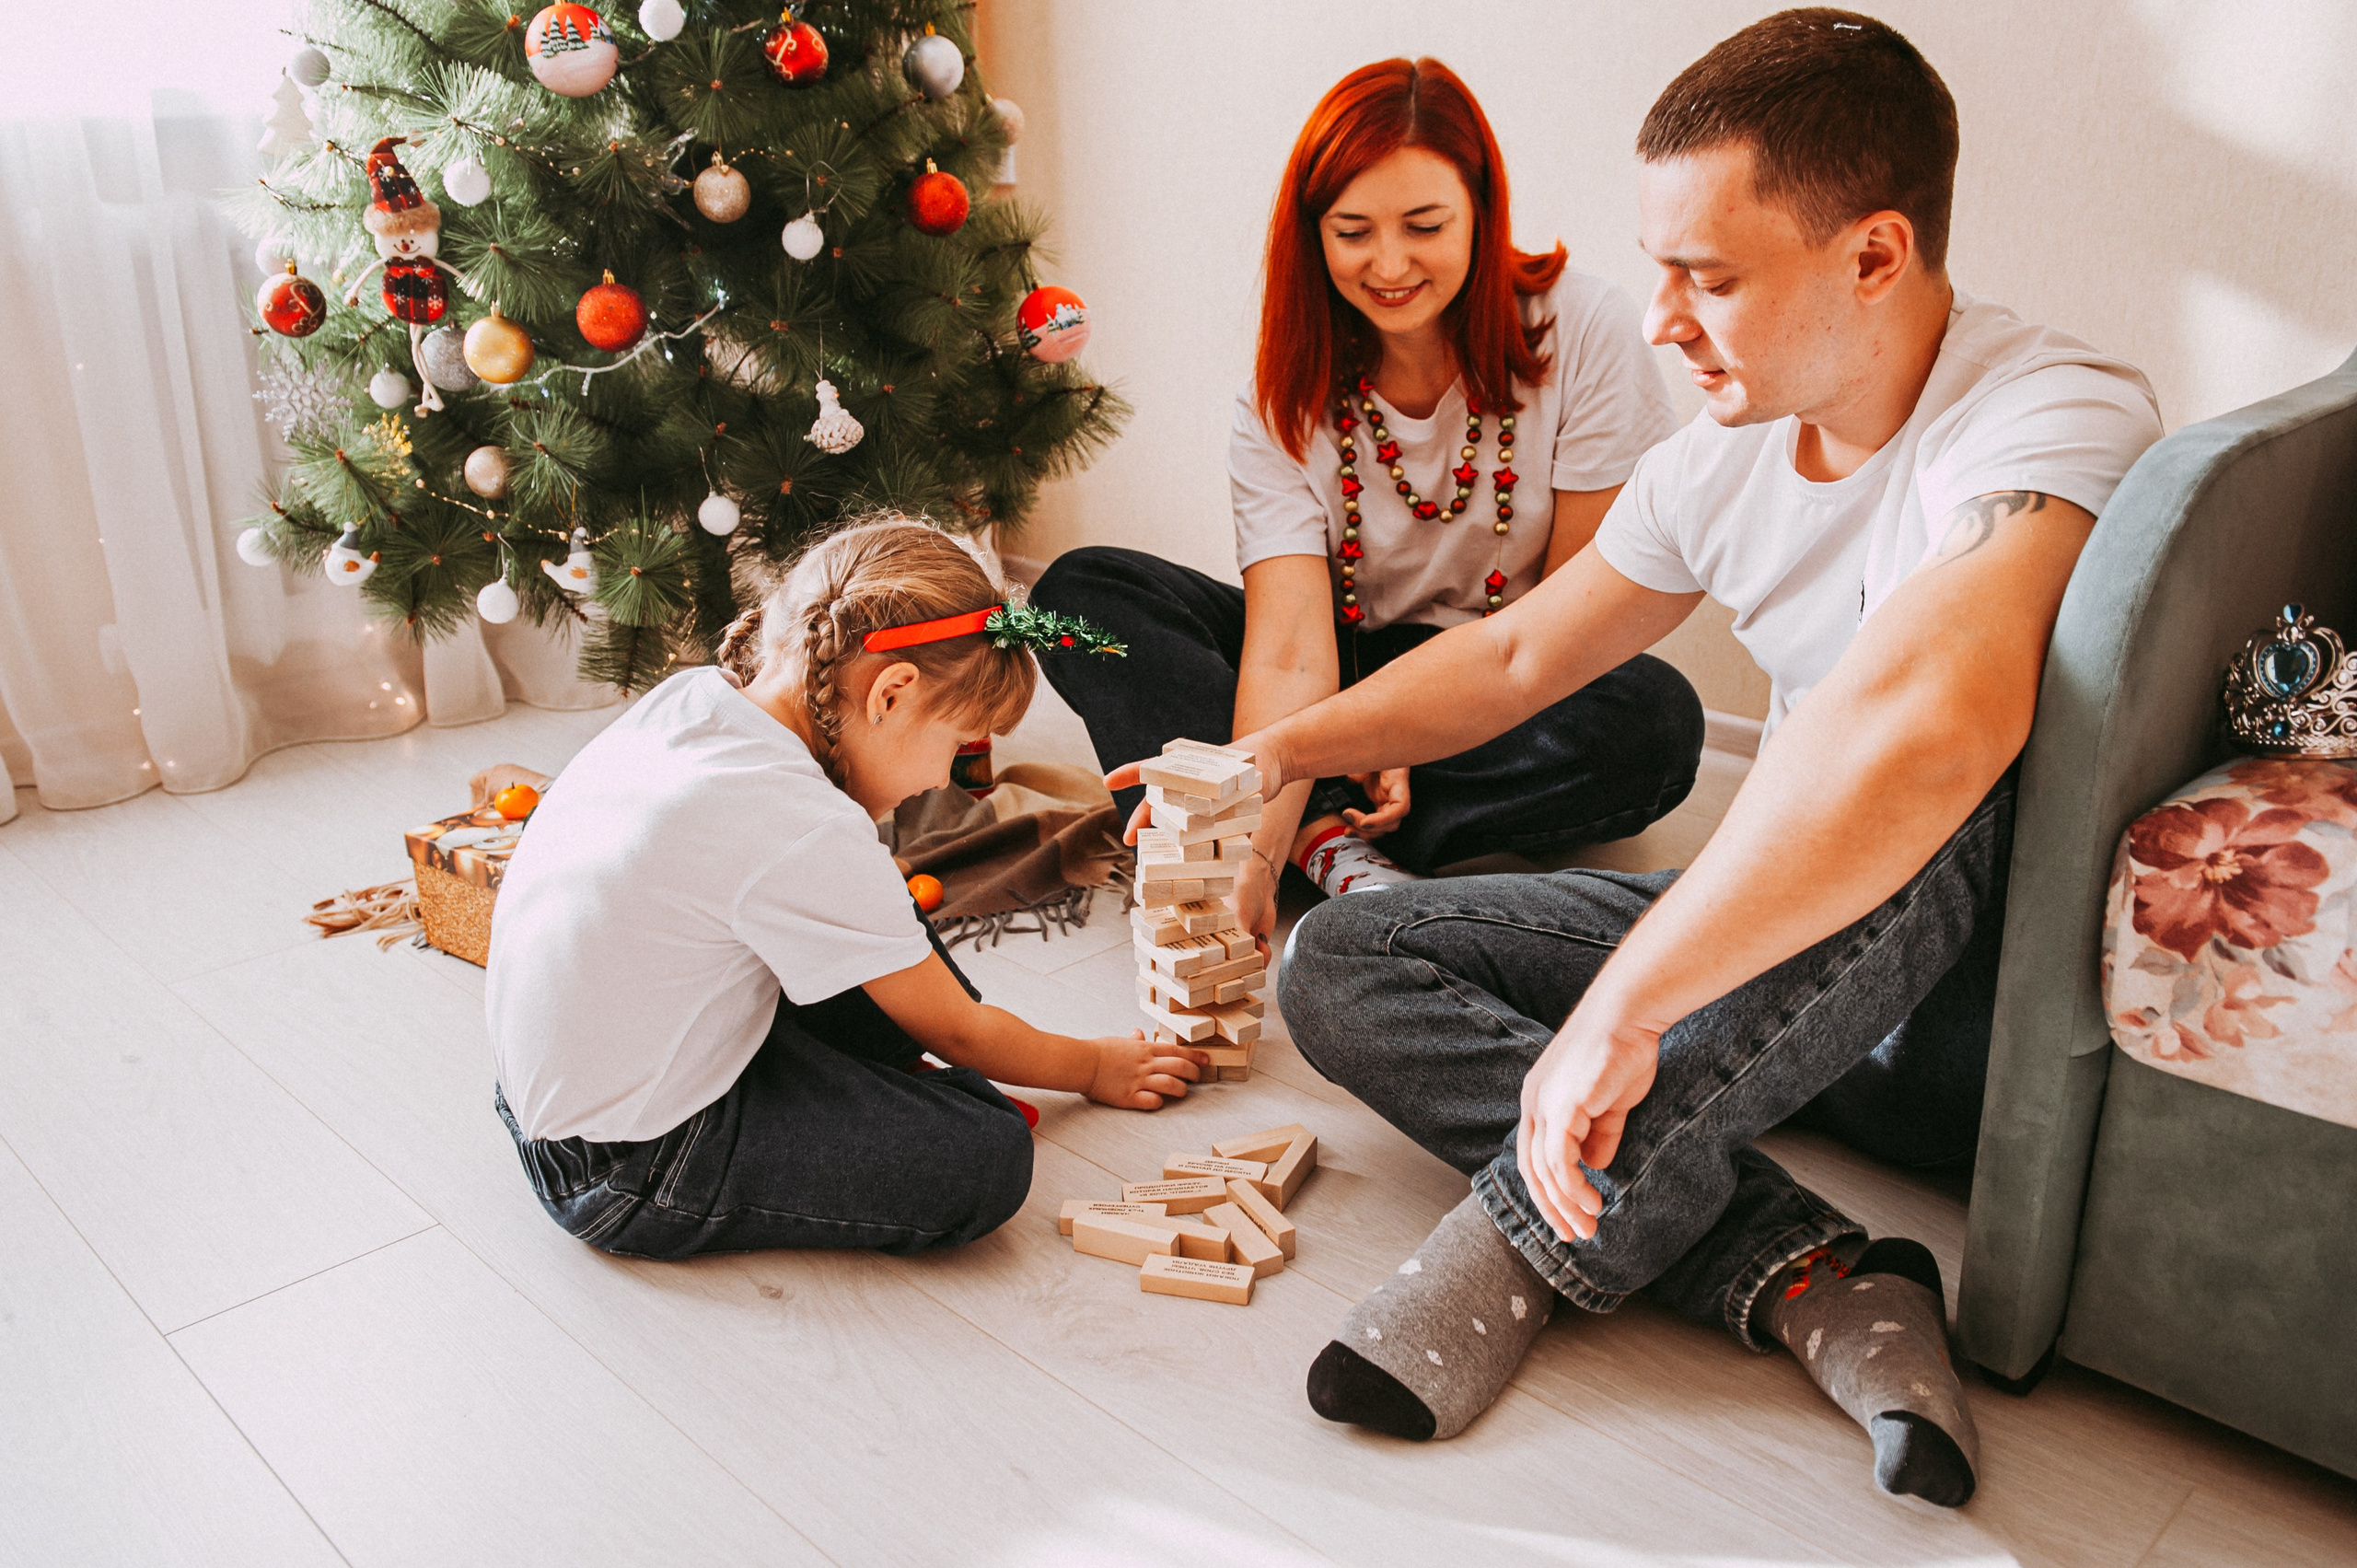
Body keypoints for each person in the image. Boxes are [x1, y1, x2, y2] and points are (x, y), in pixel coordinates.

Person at [1119, 10, 2165, 1505]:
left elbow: (1930, 728)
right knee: (1334, 959)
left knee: (1926, 785)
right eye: (1660, 265)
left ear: (1874, 254)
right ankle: (1812, 1274)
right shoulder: (1729, 451)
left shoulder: (2053, 414)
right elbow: (1522, 654)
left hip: (1943, 1010)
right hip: (1775, 974)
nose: (1662, 316)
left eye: (1710, 277)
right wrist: (1269, 752)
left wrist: (1631, 1001)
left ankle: (1516, 1240)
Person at [1037, 57, 1702, 947]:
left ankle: (1316, 803)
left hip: (1511, 666)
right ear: (1313, 235)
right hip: (1332, 662)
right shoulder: (1280, 390)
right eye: (1353, 232)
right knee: (1080, 595)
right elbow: (1286, 653)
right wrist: (1261, 850)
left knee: (1655, 723)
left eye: (1424, 225)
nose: (1389, 265)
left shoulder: (1584, 328)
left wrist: (1416, 723)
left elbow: (1576, 616)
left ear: (1481, 209)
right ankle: (1319, 835)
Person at [486, 517, 1204, 1260]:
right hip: (628, 1163)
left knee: (885, 918)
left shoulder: (695, 699)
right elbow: (958, 1031)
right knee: (984, 1153)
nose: (942, 779)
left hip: (557, 1099)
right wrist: (1091, 1065)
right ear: (891, 693)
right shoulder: (801, 823)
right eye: (956, 747)